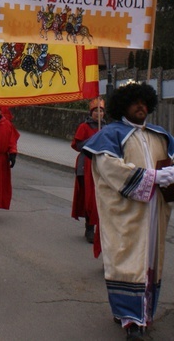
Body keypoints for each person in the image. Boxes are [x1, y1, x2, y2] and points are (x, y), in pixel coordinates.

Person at [82, 82, 174, 340]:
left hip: (155, 213)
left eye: (144, 101)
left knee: (151, 262)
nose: (140, 106)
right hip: (126, 214)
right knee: (126, 262)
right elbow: (110, 169)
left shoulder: (159, 134)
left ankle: (144, 313)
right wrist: (152, 178)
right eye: (134, 102)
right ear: (123, 106)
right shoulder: (111, 134)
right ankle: (130, 318)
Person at [71, 97, 106, 246]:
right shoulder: (84, 127)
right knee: (89, 197)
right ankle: (89, 227)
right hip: (86, 164)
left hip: (102, 165)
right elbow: (78, 145)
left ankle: (101, 227)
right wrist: (93, 141)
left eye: (101, 111)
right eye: (96, 111)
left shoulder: (106, 128)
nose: (98, 114)